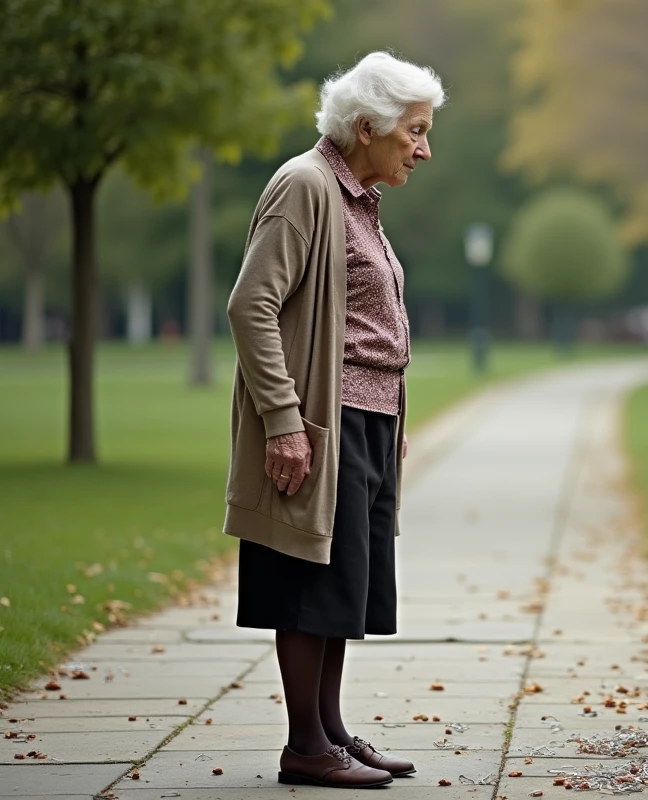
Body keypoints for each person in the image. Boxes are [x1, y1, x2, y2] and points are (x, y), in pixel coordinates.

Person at [223, 51, 443, 789]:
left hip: (367, 421)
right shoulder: (306, 185)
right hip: (322, 422)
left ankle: (330, 732)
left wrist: (390, 419)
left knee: (343, 584)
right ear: (367, 127)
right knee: (308, 582)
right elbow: (251, 305)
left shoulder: (358, 199)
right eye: (415, 131)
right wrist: (284, 421)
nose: (424, 149)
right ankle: (305, 747)